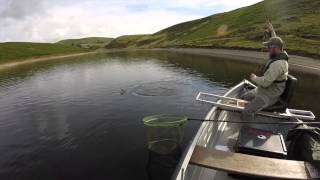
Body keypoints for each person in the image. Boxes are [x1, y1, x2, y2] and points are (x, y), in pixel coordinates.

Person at [241, 21, 289, 121]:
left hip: (269, 95)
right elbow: (276, 40)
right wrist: (272, 30)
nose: (267, 49)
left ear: (275, 48)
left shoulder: (278, 64)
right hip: (263, 90)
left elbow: (266, 83)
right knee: (244, 97)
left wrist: (254, 78)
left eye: (269, 47)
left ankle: (247, 130)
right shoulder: (279, 52)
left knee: (247, 112)